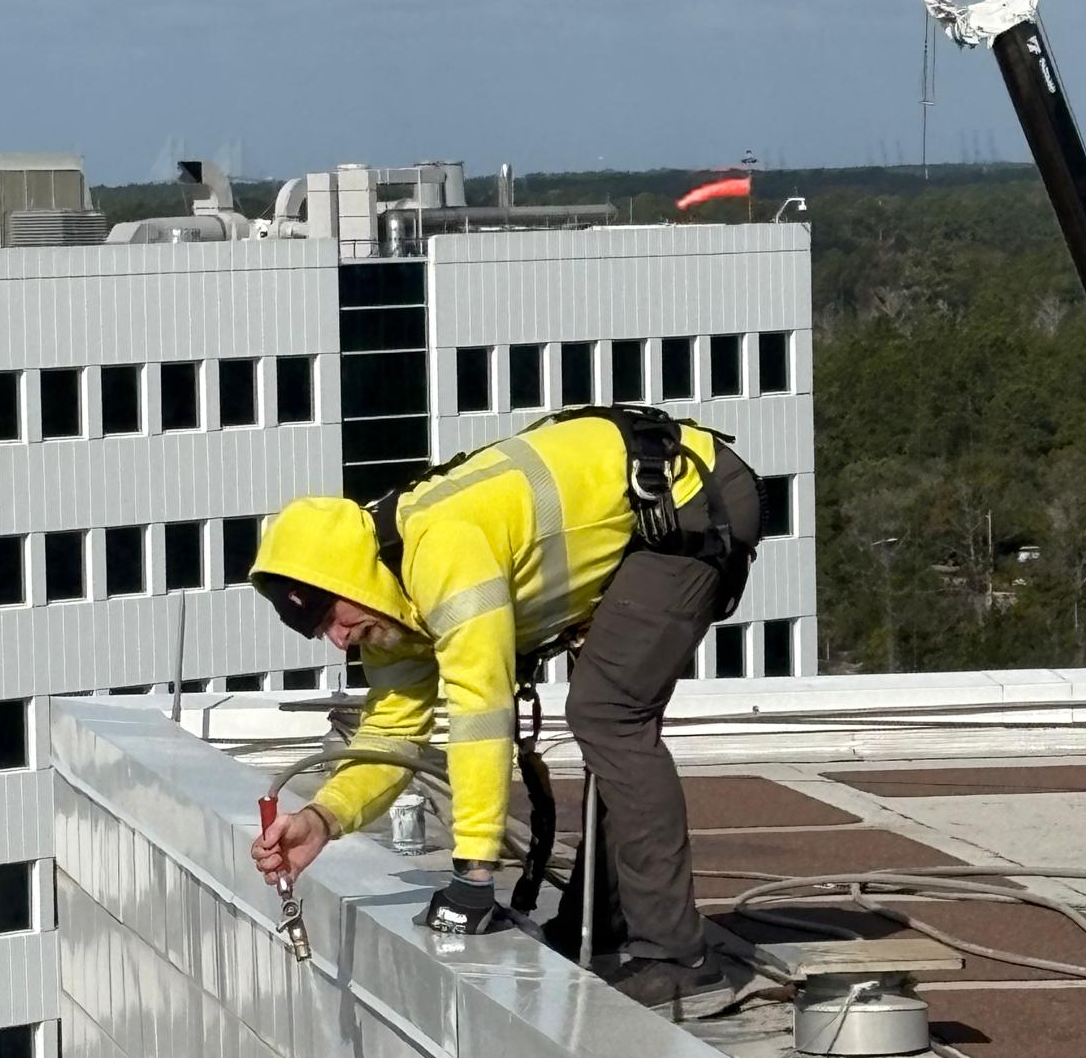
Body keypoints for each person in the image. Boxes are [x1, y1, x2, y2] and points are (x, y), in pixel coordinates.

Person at [250, 406, 763, 1012]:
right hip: (646, 507)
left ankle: (680, 960)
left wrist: (473, 873)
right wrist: (322, 819)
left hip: (686, 498)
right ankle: (600, 923)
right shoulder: (386, 611)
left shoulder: (441, 549)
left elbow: (481, 713)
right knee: (608, 716)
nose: (338, 639)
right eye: (320, 633)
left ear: (352, 579)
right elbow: (390, 736)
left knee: (608, 712)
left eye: (333, 615)